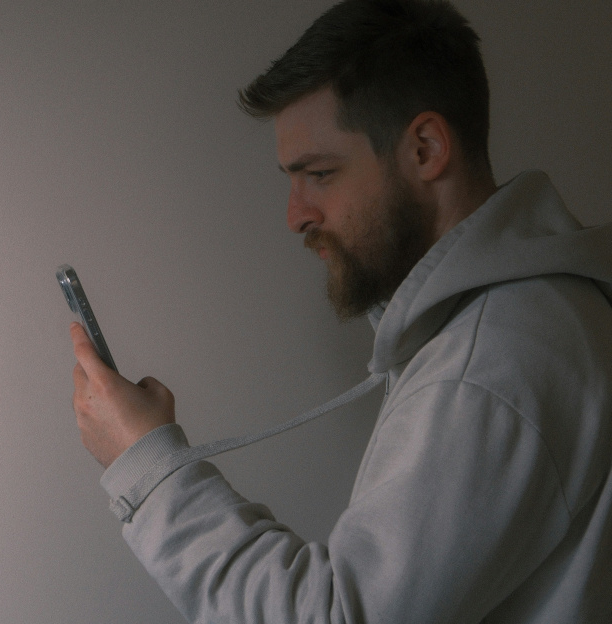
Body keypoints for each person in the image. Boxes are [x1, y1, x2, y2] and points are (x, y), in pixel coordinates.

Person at [67, 0, 612, 621]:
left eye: (320, 173)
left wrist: (147, 464)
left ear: (426, 149)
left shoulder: (490, 364)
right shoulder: (536, 314)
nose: (296, 215)